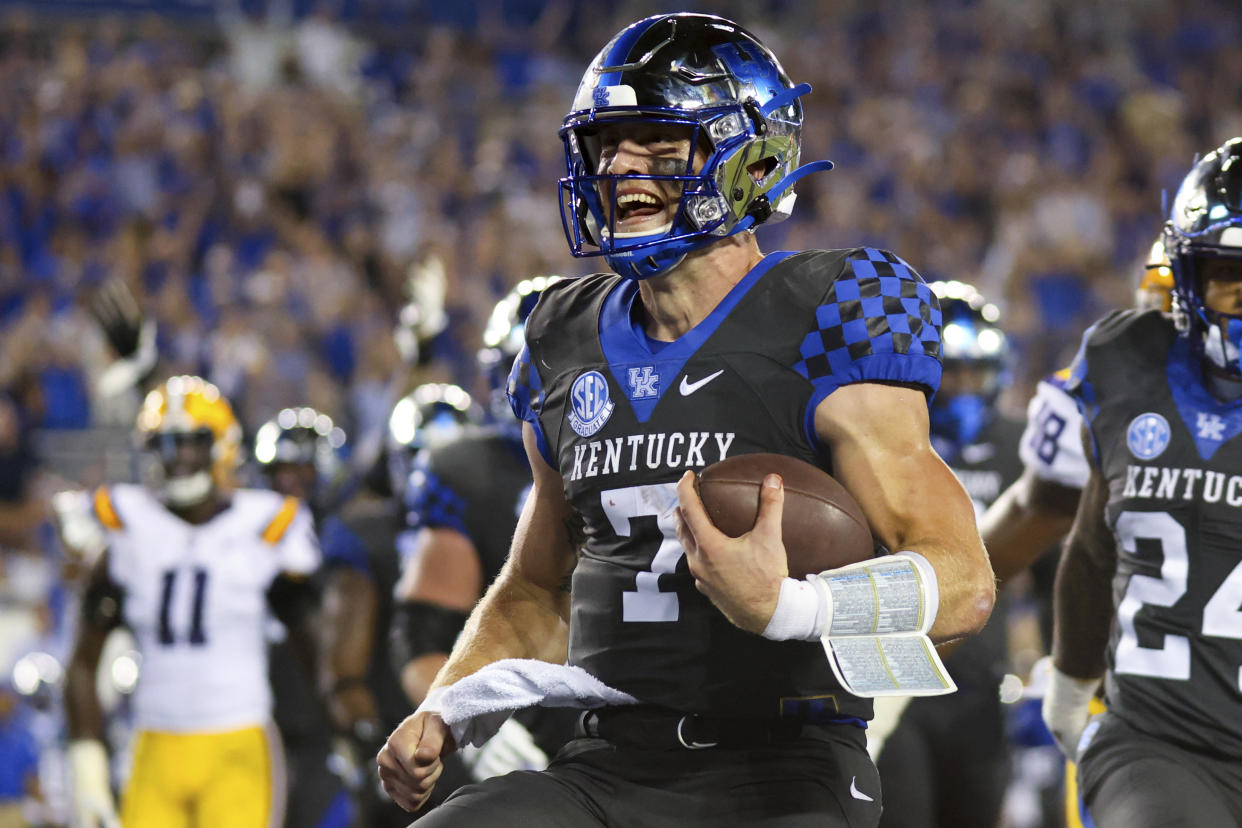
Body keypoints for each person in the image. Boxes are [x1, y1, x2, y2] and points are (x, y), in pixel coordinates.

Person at [377, 13, 994, 827]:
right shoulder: (562, 337)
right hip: (605, 762)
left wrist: (793, 606)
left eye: (659, 144)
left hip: (785, 766)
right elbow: (535, 586)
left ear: (752, 158)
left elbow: (961, 578)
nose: (620, 166)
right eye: (607, 144)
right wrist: (446, 711)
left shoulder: (830, 314)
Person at [1042, 137, 1242, 827]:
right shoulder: (1125, 359)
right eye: (1227, 271)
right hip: (1160, 743)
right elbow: (1095, 546)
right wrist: (1069, 694)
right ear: (1186, 271)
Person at [64, 376, 320, 828]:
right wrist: (87, 760)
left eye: (191, 441)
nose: (178, 457)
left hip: (237, 741)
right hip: (154, 743)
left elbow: (313, 647)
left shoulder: (266, 523)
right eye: (164, 443)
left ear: (221, 445)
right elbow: (84, 660)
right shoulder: (127, 524)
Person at [390, 278, 579, 814]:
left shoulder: (655, 444)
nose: (543, 390)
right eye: (527, 370)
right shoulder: (465, 470)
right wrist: (467, 722)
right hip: (538, 731)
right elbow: (423, 634)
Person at [875, 281, 1021, 828]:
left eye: (973, 373)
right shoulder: (879, 447)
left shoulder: (1018, 447)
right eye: (950, 372)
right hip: (897, 683)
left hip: (979, 687)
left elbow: (1055, 565)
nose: (962, 389)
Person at [326, 382, 483, 827]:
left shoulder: (506, 527)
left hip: (489, 732)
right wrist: (365, 743)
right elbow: (344, 672)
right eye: (422, 459)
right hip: (405, 739)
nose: (433, 475)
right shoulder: (368, 536)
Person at [252, 407, 353, 828]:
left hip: (321, 727)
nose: (289, 484)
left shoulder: (346, 542)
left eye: (301, 472)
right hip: (255, 718)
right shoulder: (242, 538)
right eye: (281, 472)